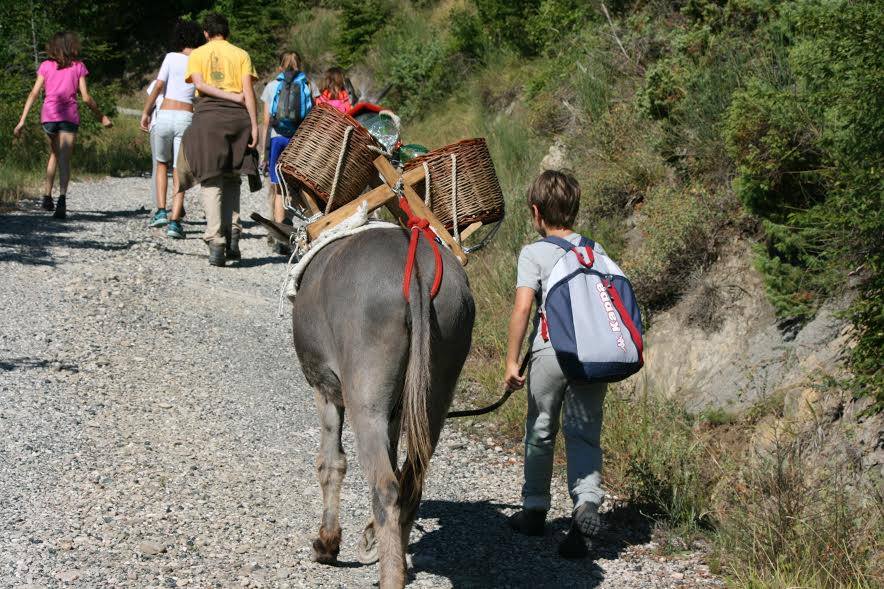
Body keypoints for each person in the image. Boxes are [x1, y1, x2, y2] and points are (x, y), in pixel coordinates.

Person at [503, 170, 607, 559]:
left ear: (535, 212)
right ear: (575, 210)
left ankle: (533, 512)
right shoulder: (595, 251)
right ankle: (586, 505)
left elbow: (523, 308)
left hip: (551, 352)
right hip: (593, 356)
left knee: (541, 430)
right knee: (584, 434)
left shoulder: (534, 253)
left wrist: (512, 360)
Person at [178, 13, 259, 267]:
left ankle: (216, 240)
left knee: (211, 179)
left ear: (206, 33)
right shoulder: (241, 54)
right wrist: (255, 126)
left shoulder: (198, 55)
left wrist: (228, 97)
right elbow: (248, 92)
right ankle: (233, 231)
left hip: (209, 118)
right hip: (239, 119)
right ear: (227, 31)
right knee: (233, 177)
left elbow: (199, 84)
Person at [13, 31, 112, 219]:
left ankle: (47, 197)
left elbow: (34, 93)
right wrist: (101, 117)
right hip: (68, 117)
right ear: (70, 46)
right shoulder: (78, 67)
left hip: (49, 117)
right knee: (64, 158)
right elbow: (86, 97)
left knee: (54, 154)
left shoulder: (45, 66)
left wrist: (22, 120)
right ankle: (62, 200)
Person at [140, 19, 204, 239]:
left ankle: (160, 211)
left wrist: (146, 112)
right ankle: (175, 222)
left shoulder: (170, 57)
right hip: (186, 117)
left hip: (165, 115)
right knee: (179, 169)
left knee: (161, 164)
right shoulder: (200, 60)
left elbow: (158, 86)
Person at [259, 51, 311, 256]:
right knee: (296, 185)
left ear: (280, 67)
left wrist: (264, 152)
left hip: (277, 139)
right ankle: (294, 224)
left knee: (279, 189)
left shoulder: (272, 86)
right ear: (300, 66)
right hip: (298, 140)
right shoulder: (307, 85)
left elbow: (266, 121)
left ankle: (281, 235)